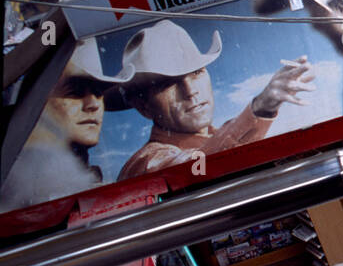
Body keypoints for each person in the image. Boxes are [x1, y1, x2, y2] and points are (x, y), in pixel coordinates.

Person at [109, 19, 315, 179]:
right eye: (167, 84)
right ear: (143, 107)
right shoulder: (146, 163)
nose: (190, 91)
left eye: (196, 72)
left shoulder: (218, 138)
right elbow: (197, 166)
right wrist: (260, 107)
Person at [0, 40, 133, 211]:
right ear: (40, 104)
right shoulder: (25, 186)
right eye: (75, 92)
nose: (93, 104)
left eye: (99, 92)